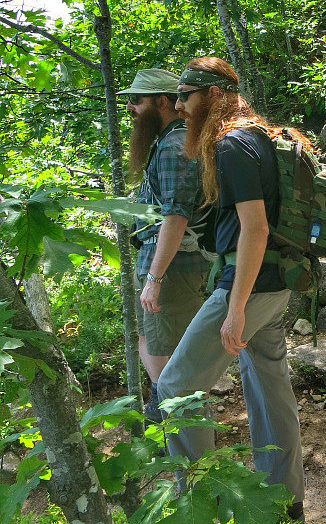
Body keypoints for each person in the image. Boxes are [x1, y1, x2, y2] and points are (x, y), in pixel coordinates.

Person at [157, 56, 305, 523]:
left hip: (249, 287)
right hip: (275, 281)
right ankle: (283, 503)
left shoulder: (232, 145)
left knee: (176, 386)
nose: (178, 105)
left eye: (186, 95)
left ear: (214, 96)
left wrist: (235, 306)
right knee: (268, 387)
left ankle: (203, 504)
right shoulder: (258, 136)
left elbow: (255, 229)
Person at [117, 68, 210, 422]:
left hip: (172, 267)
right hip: (163, 263)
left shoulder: (174, 145)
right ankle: (167, 421)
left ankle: (179, 431)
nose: (130, 108)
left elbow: (176, 216)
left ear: (161, 102)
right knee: (151, 344)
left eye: (136, 100)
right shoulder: (169, 140)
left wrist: (155, 278)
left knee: (167, 355)